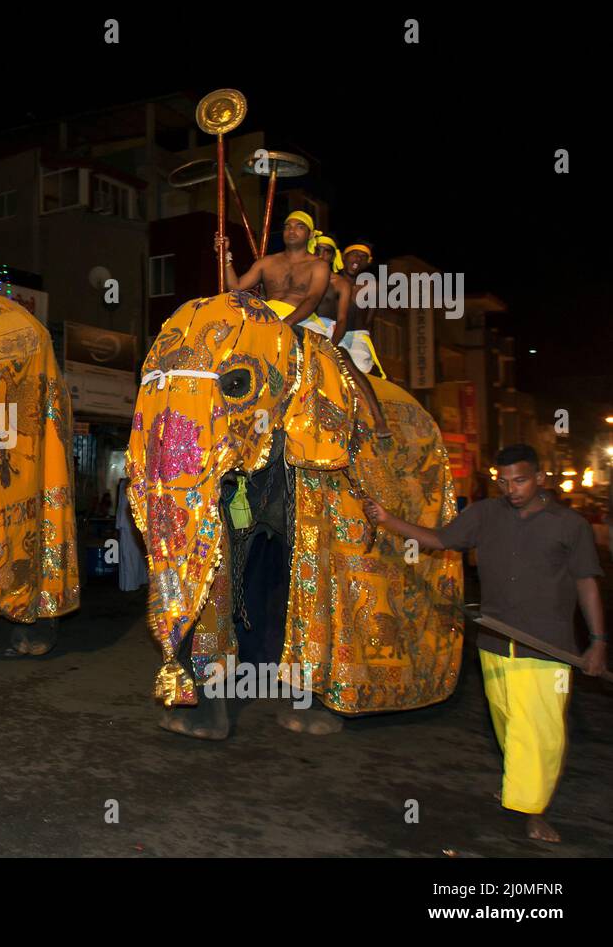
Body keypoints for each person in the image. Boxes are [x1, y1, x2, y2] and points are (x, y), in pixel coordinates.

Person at [364, 444, 607, 843]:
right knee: (509, 723)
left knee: (540, 732)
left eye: (521, 480)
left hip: (545, 647)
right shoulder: (485, 515)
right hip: (495, 642)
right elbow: (440, 540)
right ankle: (518, 787)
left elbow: (587, 583)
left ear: (540, 478)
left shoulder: (569, 525)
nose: (512, 489)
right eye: (504, 481)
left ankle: (533, 810)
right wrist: (389, 521)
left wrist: (597, 641)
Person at [222, 212, 390, 436]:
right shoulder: (267, 262)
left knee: (339, 355)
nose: (292, 230)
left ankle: (377, 417)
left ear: (309, 234)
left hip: (303, 321)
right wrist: (225, 256)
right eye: (287, 225)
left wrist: (286, 324)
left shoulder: (318, 266)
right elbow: (236, 286)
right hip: (267, 321)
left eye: (299, 226)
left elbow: (312, 299)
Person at [338, 240, 386, 378]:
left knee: (361, 367)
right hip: (332, 332)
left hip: (357, 336)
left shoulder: (372, 287)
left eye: (363, 256)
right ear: (343, 256)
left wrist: (369, 348)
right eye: (354, 254)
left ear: (368, 263)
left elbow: (369, 322)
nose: (358, 258)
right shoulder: (331, 281)